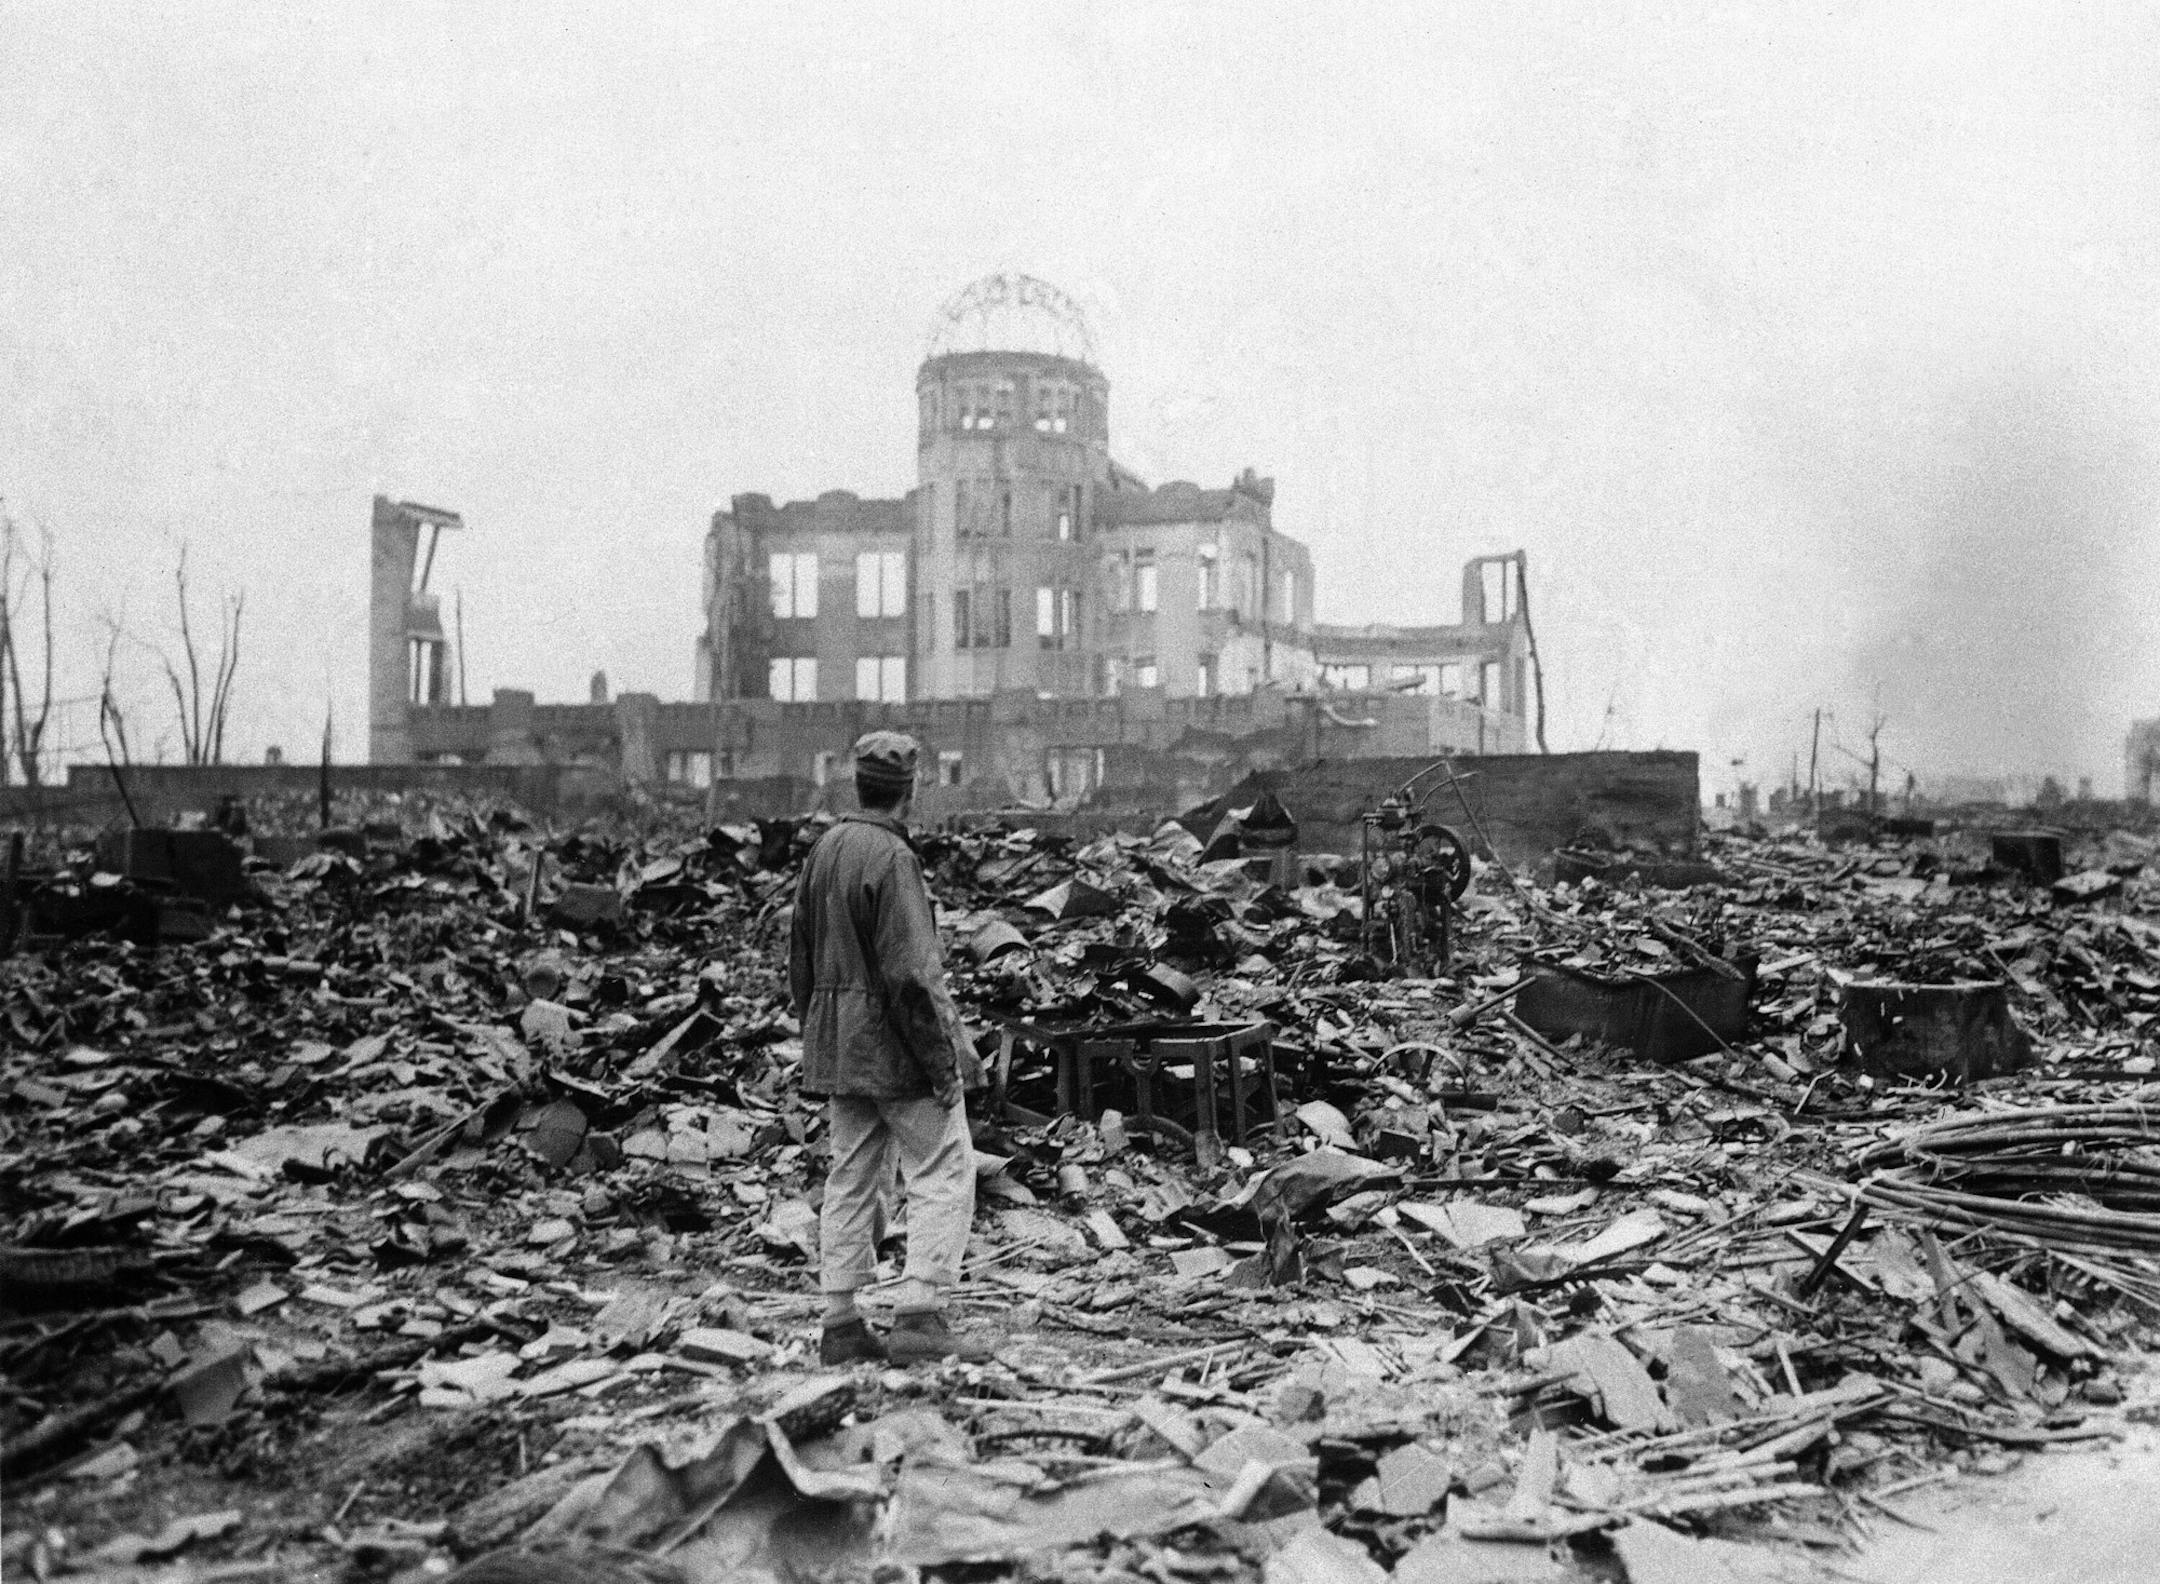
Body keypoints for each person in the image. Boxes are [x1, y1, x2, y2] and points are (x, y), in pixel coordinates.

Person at [790, 731, 988, 1364]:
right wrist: (944, 1063)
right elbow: (911, 976)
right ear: (911, 790)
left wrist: (820, 1033)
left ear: (859, 784)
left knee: (851, 1175)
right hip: (895, 1049)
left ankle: (841, 1322)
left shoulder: (824, 850)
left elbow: (800, 958)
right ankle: (921, 1314)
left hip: (839, 1048)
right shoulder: (892, 859)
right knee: (942, 1165)